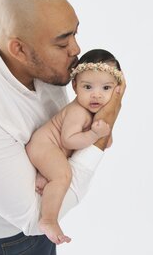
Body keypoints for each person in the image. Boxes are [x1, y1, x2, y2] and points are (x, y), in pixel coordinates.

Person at [0, 0, 126, 255]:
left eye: (75, 34)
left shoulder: (49, 69)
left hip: (43, 232)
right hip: (3, 244)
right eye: (62, 44)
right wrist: (105, 124)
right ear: (19, 49)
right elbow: (35, 218)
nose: (76, 50)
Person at [26, 49, 123, 244]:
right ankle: (48, 220)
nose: (96, 95)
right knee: (63, 176)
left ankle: (44, 176)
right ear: (75, 86)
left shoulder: (93, 111)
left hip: (53, 152)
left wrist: (103, 134)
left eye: (106, 88)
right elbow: (69, 141)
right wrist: (95, 134)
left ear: (117, 90)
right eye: (88, 87)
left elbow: (103, 142)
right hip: (44, 146)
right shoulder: (78, 111)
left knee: (60, 171)